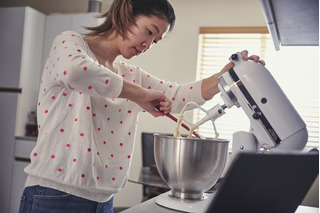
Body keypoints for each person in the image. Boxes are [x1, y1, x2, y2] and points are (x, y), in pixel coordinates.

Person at [19, 0, 265, 212]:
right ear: (126, 12)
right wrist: (140, 95)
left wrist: (226, 77)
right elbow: (75, 72)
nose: (148, 44)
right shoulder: (69, 43)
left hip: (103, 200)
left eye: (155, 41)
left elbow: (177, 95)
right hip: (52, 194)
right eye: (149, 31)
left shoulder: (130, 74)